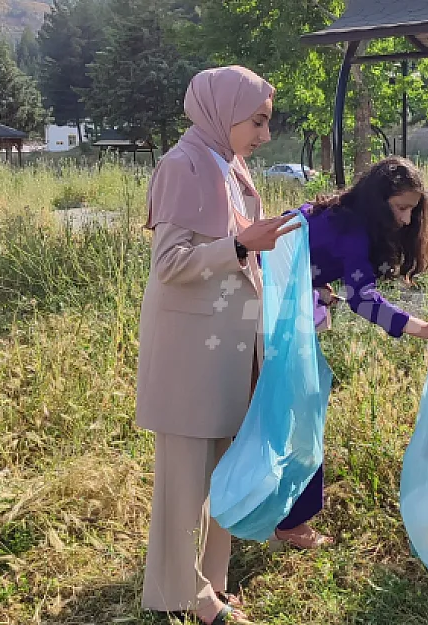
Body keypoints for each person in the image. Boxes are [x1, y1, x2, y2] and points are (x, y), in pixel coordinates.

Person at [136, 65, 299, 625]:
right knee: (185, 480)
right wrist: (239, 244)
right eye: (256, 121)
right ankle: (184, 594)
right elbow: (170, 265)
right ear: (220, 111)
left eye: (265, 122)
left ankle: (213, 584)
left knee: (222, 470)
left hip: (227, 345)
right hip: (190, 350)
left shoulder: (228, 168)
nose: (263, 135)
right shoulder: (183, 166)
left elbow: (246, 258)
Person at [270, 156, 428, 550]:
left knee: (291, 411)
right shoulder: (352, 229)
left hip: (273, 303)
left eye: (414, 209)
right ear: (378, 203)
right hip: (270, 313)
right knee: (304, 411)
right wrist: (423, 329)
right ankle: (291, 525)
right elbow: (364, 300)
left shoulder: (339, 214)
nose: (408, 219)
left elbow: (300, 248)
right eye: (401, 208)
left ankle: (276, 513)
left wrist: (315, 289)